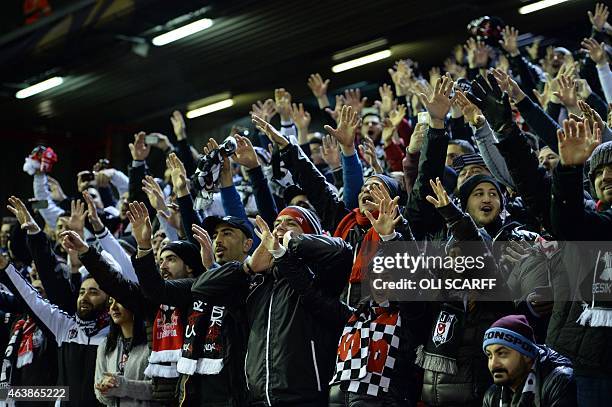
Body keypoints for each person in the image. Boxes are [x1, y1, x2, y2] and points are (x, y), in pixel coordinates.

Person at [1, 252, 109, 406]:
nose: (84, 297)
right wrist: (8, 395)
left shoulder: (57, 326)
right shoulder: (19, 323)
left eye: (42, 292)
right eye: (82, 292)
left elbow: (57, 389)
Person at [482, 315, 577, 407]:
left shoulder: (557, 381)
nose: (493, 364)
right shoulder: (493, 394)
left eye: (502, 353)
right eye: (489, 355)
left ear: (526, 355)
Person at [94, 297, 156, 406]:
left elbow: (159, 391)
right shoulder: (105, 345)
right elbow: (101, 396)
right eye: (111, 302)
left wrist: (125, 386)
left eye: (120, 301)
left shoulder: (152, 343)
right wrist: (105, 389)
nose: (113, 307)